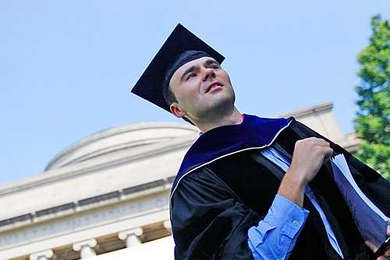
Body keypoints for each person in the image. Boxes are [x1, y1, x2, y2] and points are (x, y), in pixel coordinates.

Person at [132, 24, 390, 259]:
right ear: (178, 110)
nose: (208, 73)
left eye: (213, 66)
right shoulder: (196, 183)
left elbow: (367, 194)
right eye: (191, 75)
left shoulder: (289, 131)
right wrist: (295, 177)